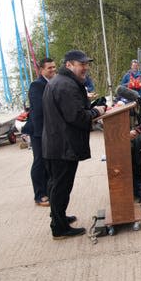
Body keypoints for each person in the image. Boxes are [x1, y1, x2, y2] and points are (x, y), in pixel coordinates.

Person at [42, 50, 106, 239]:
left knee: (57, 185)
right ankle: (59, 228)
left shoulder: (60, 82)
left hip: (56, 143)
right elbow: (76, 116)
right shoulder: (66, 85)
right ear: (69, 65)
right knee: (61, 186)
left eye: (86, 64)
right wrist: (96, 111)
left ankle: (59, 217)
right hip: (63, 146)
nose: (85, 68)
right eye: (81, 64)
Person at [23, 57, 57, 207]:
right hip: (38, 130)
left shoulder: (53, 83)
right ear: (42, 70)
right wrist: (40, 133)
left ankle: (49, 191)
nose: (53, 70)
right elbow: (37, 110)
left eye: (54, 67)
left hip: (50, 130)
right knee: (39, 161)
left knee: (49, 161)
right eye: (49, 68)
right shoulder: (37, 85)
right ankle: (40, 194)